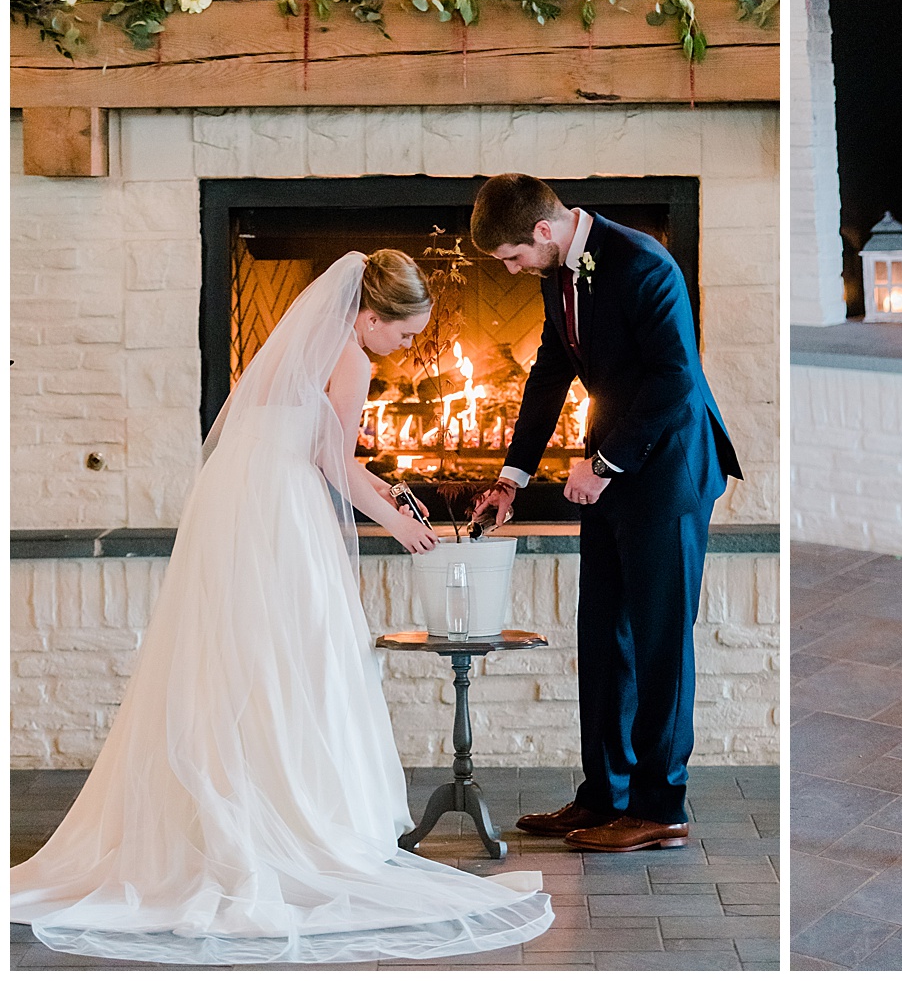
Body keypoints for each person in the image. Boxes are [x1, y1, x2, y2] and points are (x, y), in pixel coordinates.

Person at [10, 250, 554, 964]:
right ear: (368, 315)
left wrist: (386, 493)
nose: (407, 348)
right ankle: (296, 814)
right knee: (301, 651)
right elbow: (331, 462)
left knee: (238, 654)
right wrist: (397, 522)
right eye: (406, 333)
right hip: (282, 509)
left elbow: (323, 448)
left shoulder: (293, 352)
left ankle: (228, 805)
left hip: (234, 502)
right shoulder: (351, 360)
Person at [469, 174, 741, 852]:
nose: (510, 270)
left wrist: (605, 463)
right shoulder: (558, 269)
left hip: (671, 468)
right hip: (614, 471)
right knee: (602, 635)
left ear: (543, 231)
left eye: (509, 256)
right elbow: (552, 368)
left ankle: (660, 806)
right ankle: (604, 795)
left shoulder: (644, 262)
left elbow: (676, 378)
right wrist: (511, 476)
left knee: (659, 641)